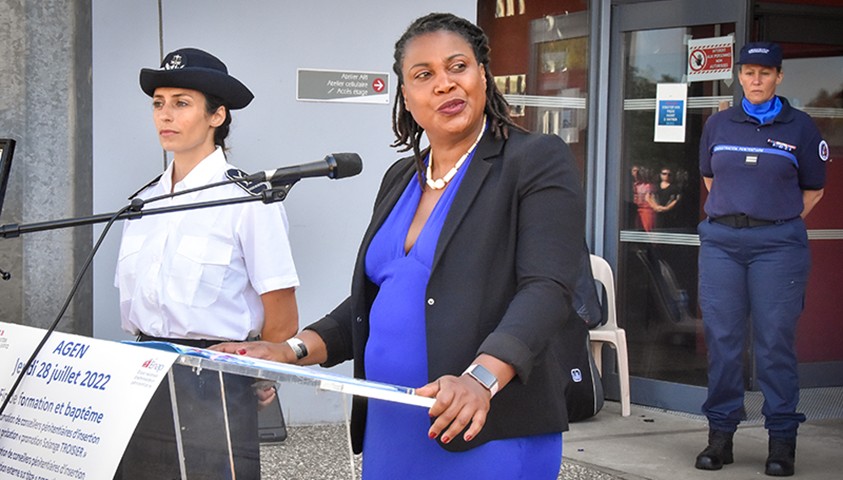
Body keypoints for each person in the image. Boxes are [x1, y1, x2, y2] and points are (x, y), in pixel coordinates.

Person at [213, 12, 585, 479]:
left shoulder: (532, 160)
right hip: (392, 424)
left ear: (483, 77)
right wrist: (289, 349)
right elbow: (373, 302)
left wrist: (481, 379)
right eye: (424, 75)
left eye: (458, 67)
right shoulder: (400, 179)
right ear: (406, 97)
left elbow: (547, 288)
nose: (445, 84)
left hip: (485, 424)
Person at [114, 47, 300, 479]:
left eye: (181, 104)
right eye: (158, 104)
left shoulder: (248, 200)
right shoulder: (143, 203)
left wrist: (260, 372)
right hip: (144, 370)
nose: (166, 115)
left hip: (214, 377)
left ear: (217, 116)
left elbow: (282, 312)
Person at [695, 41, 828, 477]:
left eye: (765, 73)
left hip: (777, 248)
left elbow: (813, 190)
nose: (755, 80)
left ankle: (782, 442)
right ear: (739, 76)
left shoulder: (802, 128)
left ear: (779, 77)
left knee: (774, 344)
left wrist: (772, 219)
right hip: (722, 244)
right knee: (723, 342)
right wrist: (739, 216)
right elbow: (711, 179)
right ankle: (720, 437)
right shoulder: (718, 124)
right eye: (748, 72)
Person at [631, 164, 656, 231]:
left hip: (646, 210)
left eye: (638, 171)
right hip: (635, 210)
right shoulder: (631, 184)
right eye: (634, 171)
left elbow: (650, 198)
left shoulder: (648, 185)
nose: (636, 173)